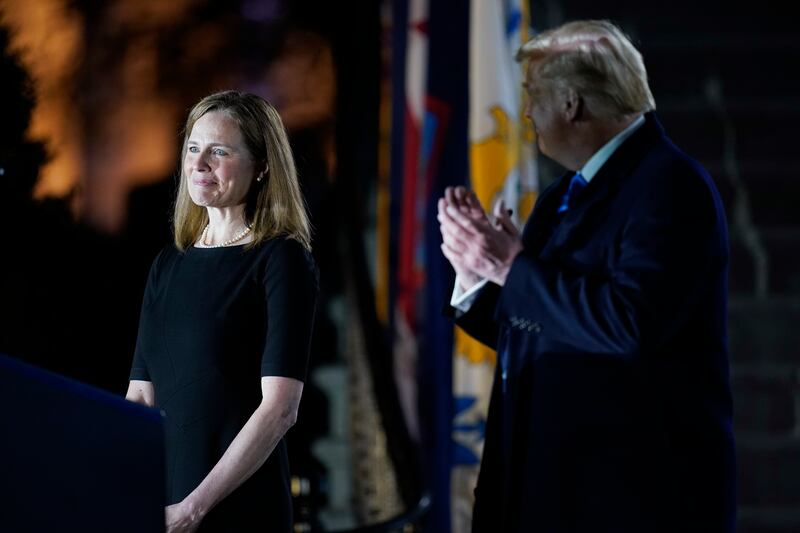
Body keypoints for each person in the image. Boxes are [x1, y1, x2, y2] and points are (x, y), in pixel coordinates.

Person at [438, 20, 735, 532]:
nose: (526, 112)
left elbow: (628, 325)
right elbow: (546, 327)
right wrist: (476, 277)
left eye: (533, 95)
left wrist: (509, 267)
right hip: (548, 491)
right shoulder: (563, 194)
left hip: (628, 502)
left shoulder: (670, 186)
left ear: (571, 103)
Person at [126, 90, 318, 533]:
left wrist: (194, 508)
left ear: (262, 166)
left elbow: (280, 409)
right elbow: (140, 397)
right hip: (165, 505)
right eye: (193, 148)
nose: (198, 164)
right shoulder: (168, 264)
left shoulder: (281, 259)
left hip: (237, 507)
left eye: (219, 152)